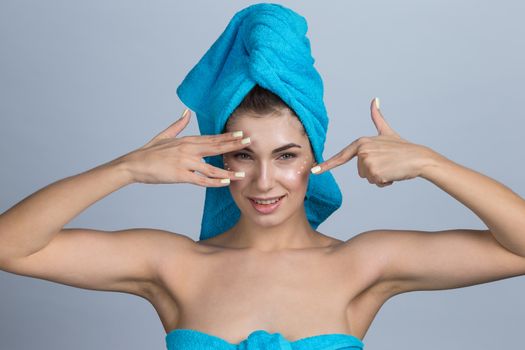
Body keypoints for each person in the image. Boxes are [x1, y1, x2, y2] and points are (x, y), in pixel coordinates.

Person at [2, 4, 525, 350]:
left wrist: (432, 164)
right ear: (219, 159)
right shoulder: (174, 264)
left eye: (287, 155)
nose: (264, 182)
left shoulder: (362, 263)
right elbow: (11, 247)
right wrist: (125, 169)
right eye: (244, 156)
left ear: (315, 158)